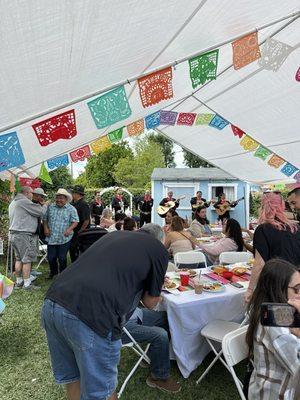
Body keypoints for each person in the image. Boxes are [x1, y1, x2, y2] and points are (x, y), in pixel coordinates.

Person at [41, 225, 169, 400]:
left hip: (53, 303)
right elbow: (150, 303)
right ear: (161, 240)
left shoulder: (114, 235)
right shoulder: (158, 249)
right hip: (92, 315)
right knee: (102, 392)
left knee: (74, 378)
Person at [246, 259, 300, 400]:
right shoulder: (275, 325)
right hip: (276, 394)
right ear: (278, 289)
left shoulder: (283, 315)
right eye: (297, 288)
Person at [245, 192, 300, 302]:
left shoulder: (263, 229)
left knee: (276, 317)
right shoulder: (295, 227)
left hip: (277, 284)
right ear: (282, 206)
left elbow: (259, 264)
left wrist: (250, 290)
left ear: (263, 206)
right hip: (296, 284)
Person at [123, 307, 180, 393]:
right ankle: (159, 377)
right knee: (160, 335)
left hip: (133, 313)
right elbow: (149, 303)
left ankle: (152, 356)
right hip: (119, 326)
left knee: (170, 317)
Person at [8, 186, 44, 290]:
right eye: (32, 193)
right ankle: (27, 284)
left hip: (14, 234)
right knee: (27, 259)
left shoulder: (13, 202)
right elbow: (40, 212)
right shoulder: (24, 201)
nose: (32, 195)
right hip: (23, 234)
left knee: (19, 259)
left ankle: (19, 281)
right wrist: (45, 205)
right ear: (27, 193)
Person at [43, 189, 79, 279]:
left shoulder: (71, 209)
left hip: (64, 237)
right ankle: (53, 273)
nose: (59, 200)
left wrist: (69, 229)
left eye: (61, 198)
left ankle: (63, 275)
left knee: (62, 257)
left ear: (66, 199)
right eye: (57, 198)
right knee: (51, 258)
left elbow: (75, 221)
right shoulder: (50, 207)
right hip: (52, 237)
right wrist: (46, 228)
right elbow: (45, 219)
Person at [70, 185, 91, 262]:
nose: (72, 194)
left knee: (76, 249)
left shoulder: (83, 204)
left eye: (73, 192)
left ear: (78, 194)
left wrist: (81, 231)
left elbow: (86, 220)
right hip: (74, 231)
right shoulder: (74, 203)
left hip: (80, 232)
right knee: (72, 249)